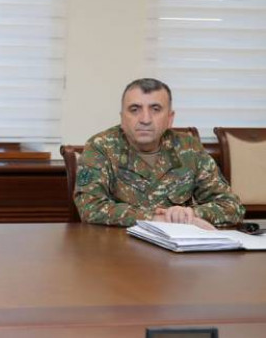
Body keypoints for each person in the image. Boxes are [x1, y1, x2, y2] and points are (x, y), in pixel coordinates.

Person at [75, 78, 244, 229]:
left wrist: (190, 214)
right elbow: (90, 207)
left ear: (170, 118)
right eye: (134, 109)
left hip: (176, 248)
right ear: (122, 117)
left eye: (155, 109)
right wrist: (155, 219)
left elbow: (231, 206)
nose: (145, 119)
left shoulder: (189, 148)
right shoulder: (100, 147)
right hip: (120, 246)